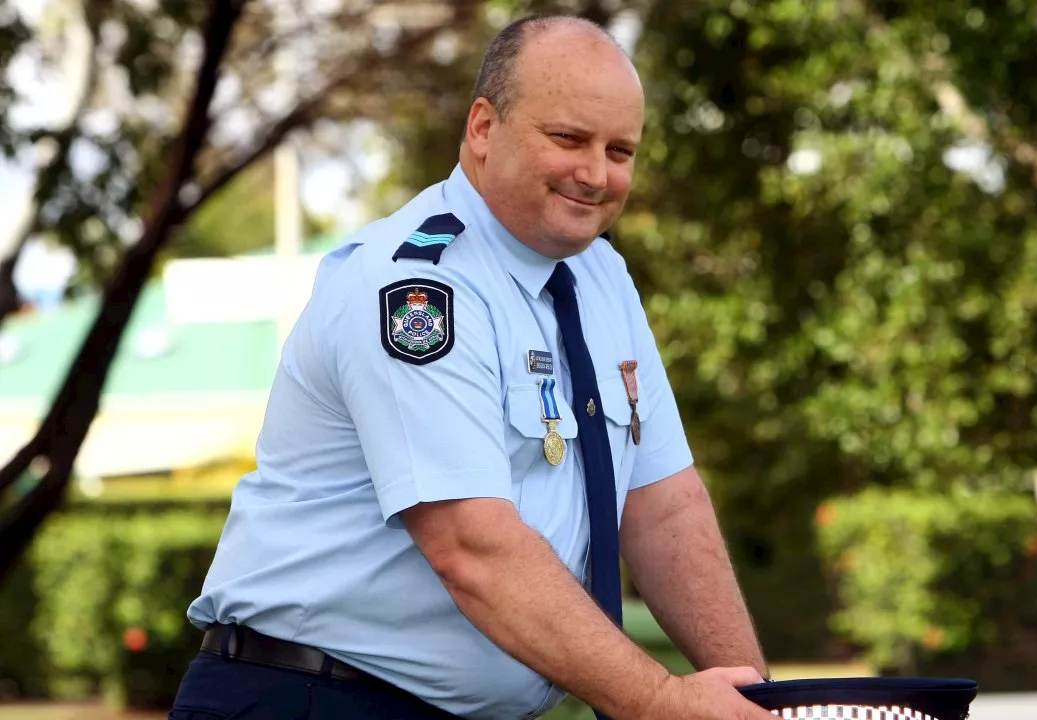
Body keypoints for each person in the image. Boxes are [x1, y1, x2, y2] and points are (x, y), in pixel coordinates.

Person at [168, 14, 776, 720]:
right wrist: (661, 703)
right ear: (484, 129)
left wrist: (760, 698)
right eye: (569, 139)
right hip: (310, 698)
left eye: (621, 151)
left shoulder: (601, 276)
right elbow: (473, 548)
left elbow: (663, 504)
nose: (596, 174)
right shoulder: (418, 291)